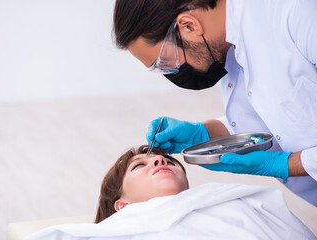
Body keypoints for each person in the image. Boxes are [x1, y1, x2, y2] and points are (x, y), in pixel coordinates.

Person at [112, 0, 317, 205]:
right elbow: (273, 120)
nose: (172, 73)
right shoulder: (226, 46)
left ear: (189, 25)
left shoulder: (300, 13)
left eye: (165, 62)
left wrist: (286, 164)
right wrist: (203, 134)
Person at [25, 145, 316, 239]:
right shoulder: (116, 231)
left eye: (168, 161)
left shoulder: (236, 200)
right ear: (121, 205)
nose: (159, 160)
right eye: (139, 166)